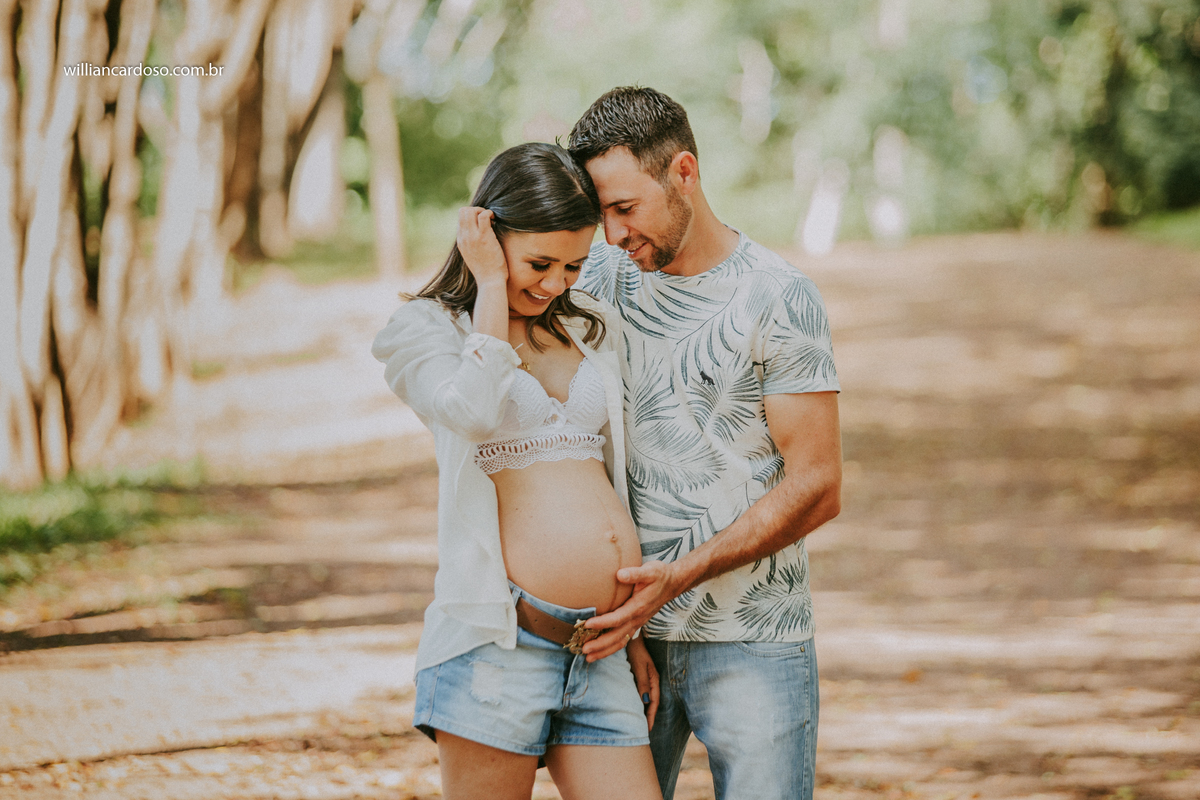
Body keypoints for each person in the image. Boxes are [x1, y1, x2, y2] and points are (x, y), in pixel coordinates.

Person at [566, 87, 843, 800]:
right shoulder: (592, 280)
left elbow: (818, 485)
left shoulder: (779, 296)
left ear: (683, 171)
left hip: (756, 639)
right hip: (617, 639)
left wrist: (680, 576)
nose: (613, 235)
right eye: (601, 215)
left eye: (626, 208)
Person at [371, 142, 663, 800]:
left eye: (573, 265)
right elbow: (472, 413)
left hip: (599, 650)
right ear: (488, 233)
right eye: (538, 263)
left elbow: (609, 473)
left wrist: (630, 630)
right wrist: (490, 287)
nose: (556, 284)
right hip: (498, 648)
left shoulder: (587, 327)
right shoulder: (426, 330)